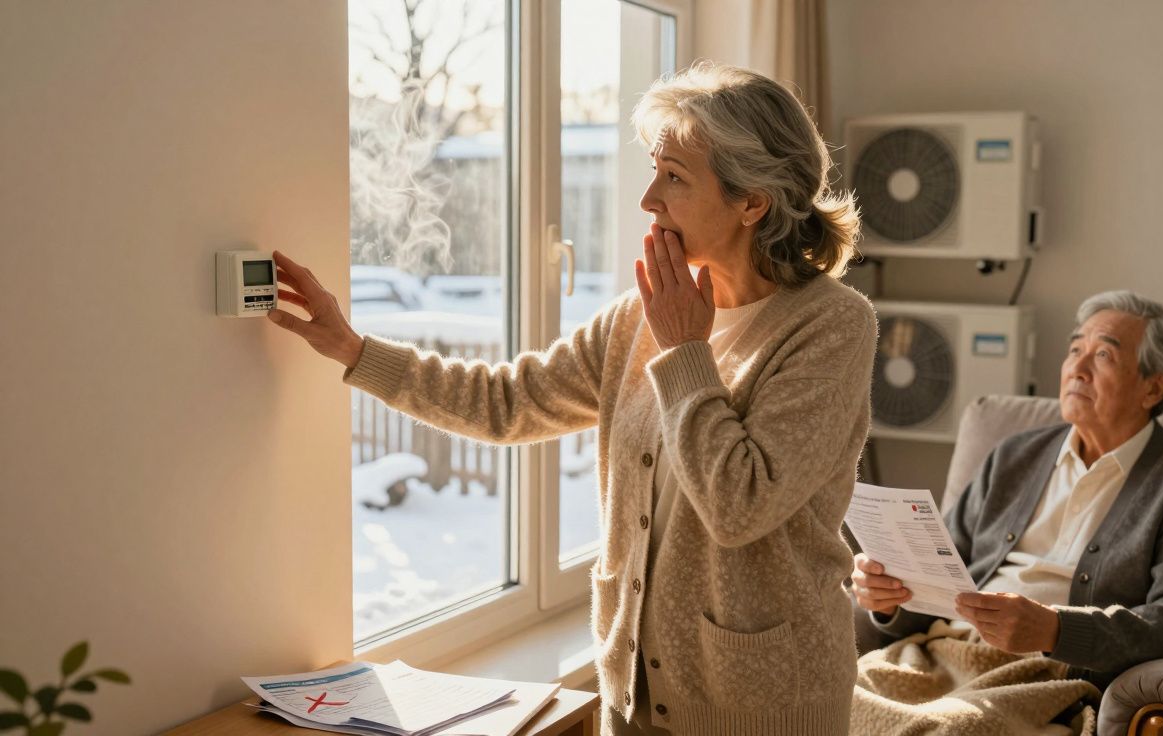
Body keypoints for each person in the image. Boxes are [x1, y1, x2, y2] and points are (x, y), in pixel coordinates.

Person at [270, 62, 876, 736]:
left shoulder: (831, 326)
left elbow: (740, 504)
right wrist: (355, 351)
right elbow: (507, 402)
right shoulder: (637, 319)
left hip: (767, 710)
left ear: (752, 202)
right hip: (632, 700)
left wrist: (682, 352)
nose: (649, 200)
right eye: (654, 171)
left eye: (674, 177)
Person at [849, 291, 1163, 733]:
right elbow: (940, 574)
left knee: (954, 729)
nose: (1078, 368)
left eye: (1104, 355)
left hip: (1046, 673)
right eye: (1075, 350)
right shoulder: (1014, 456)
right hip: (941, 652)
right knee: (817, 698)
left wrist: (1055, 630)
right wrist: (888, 598)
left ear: (1153, 387)